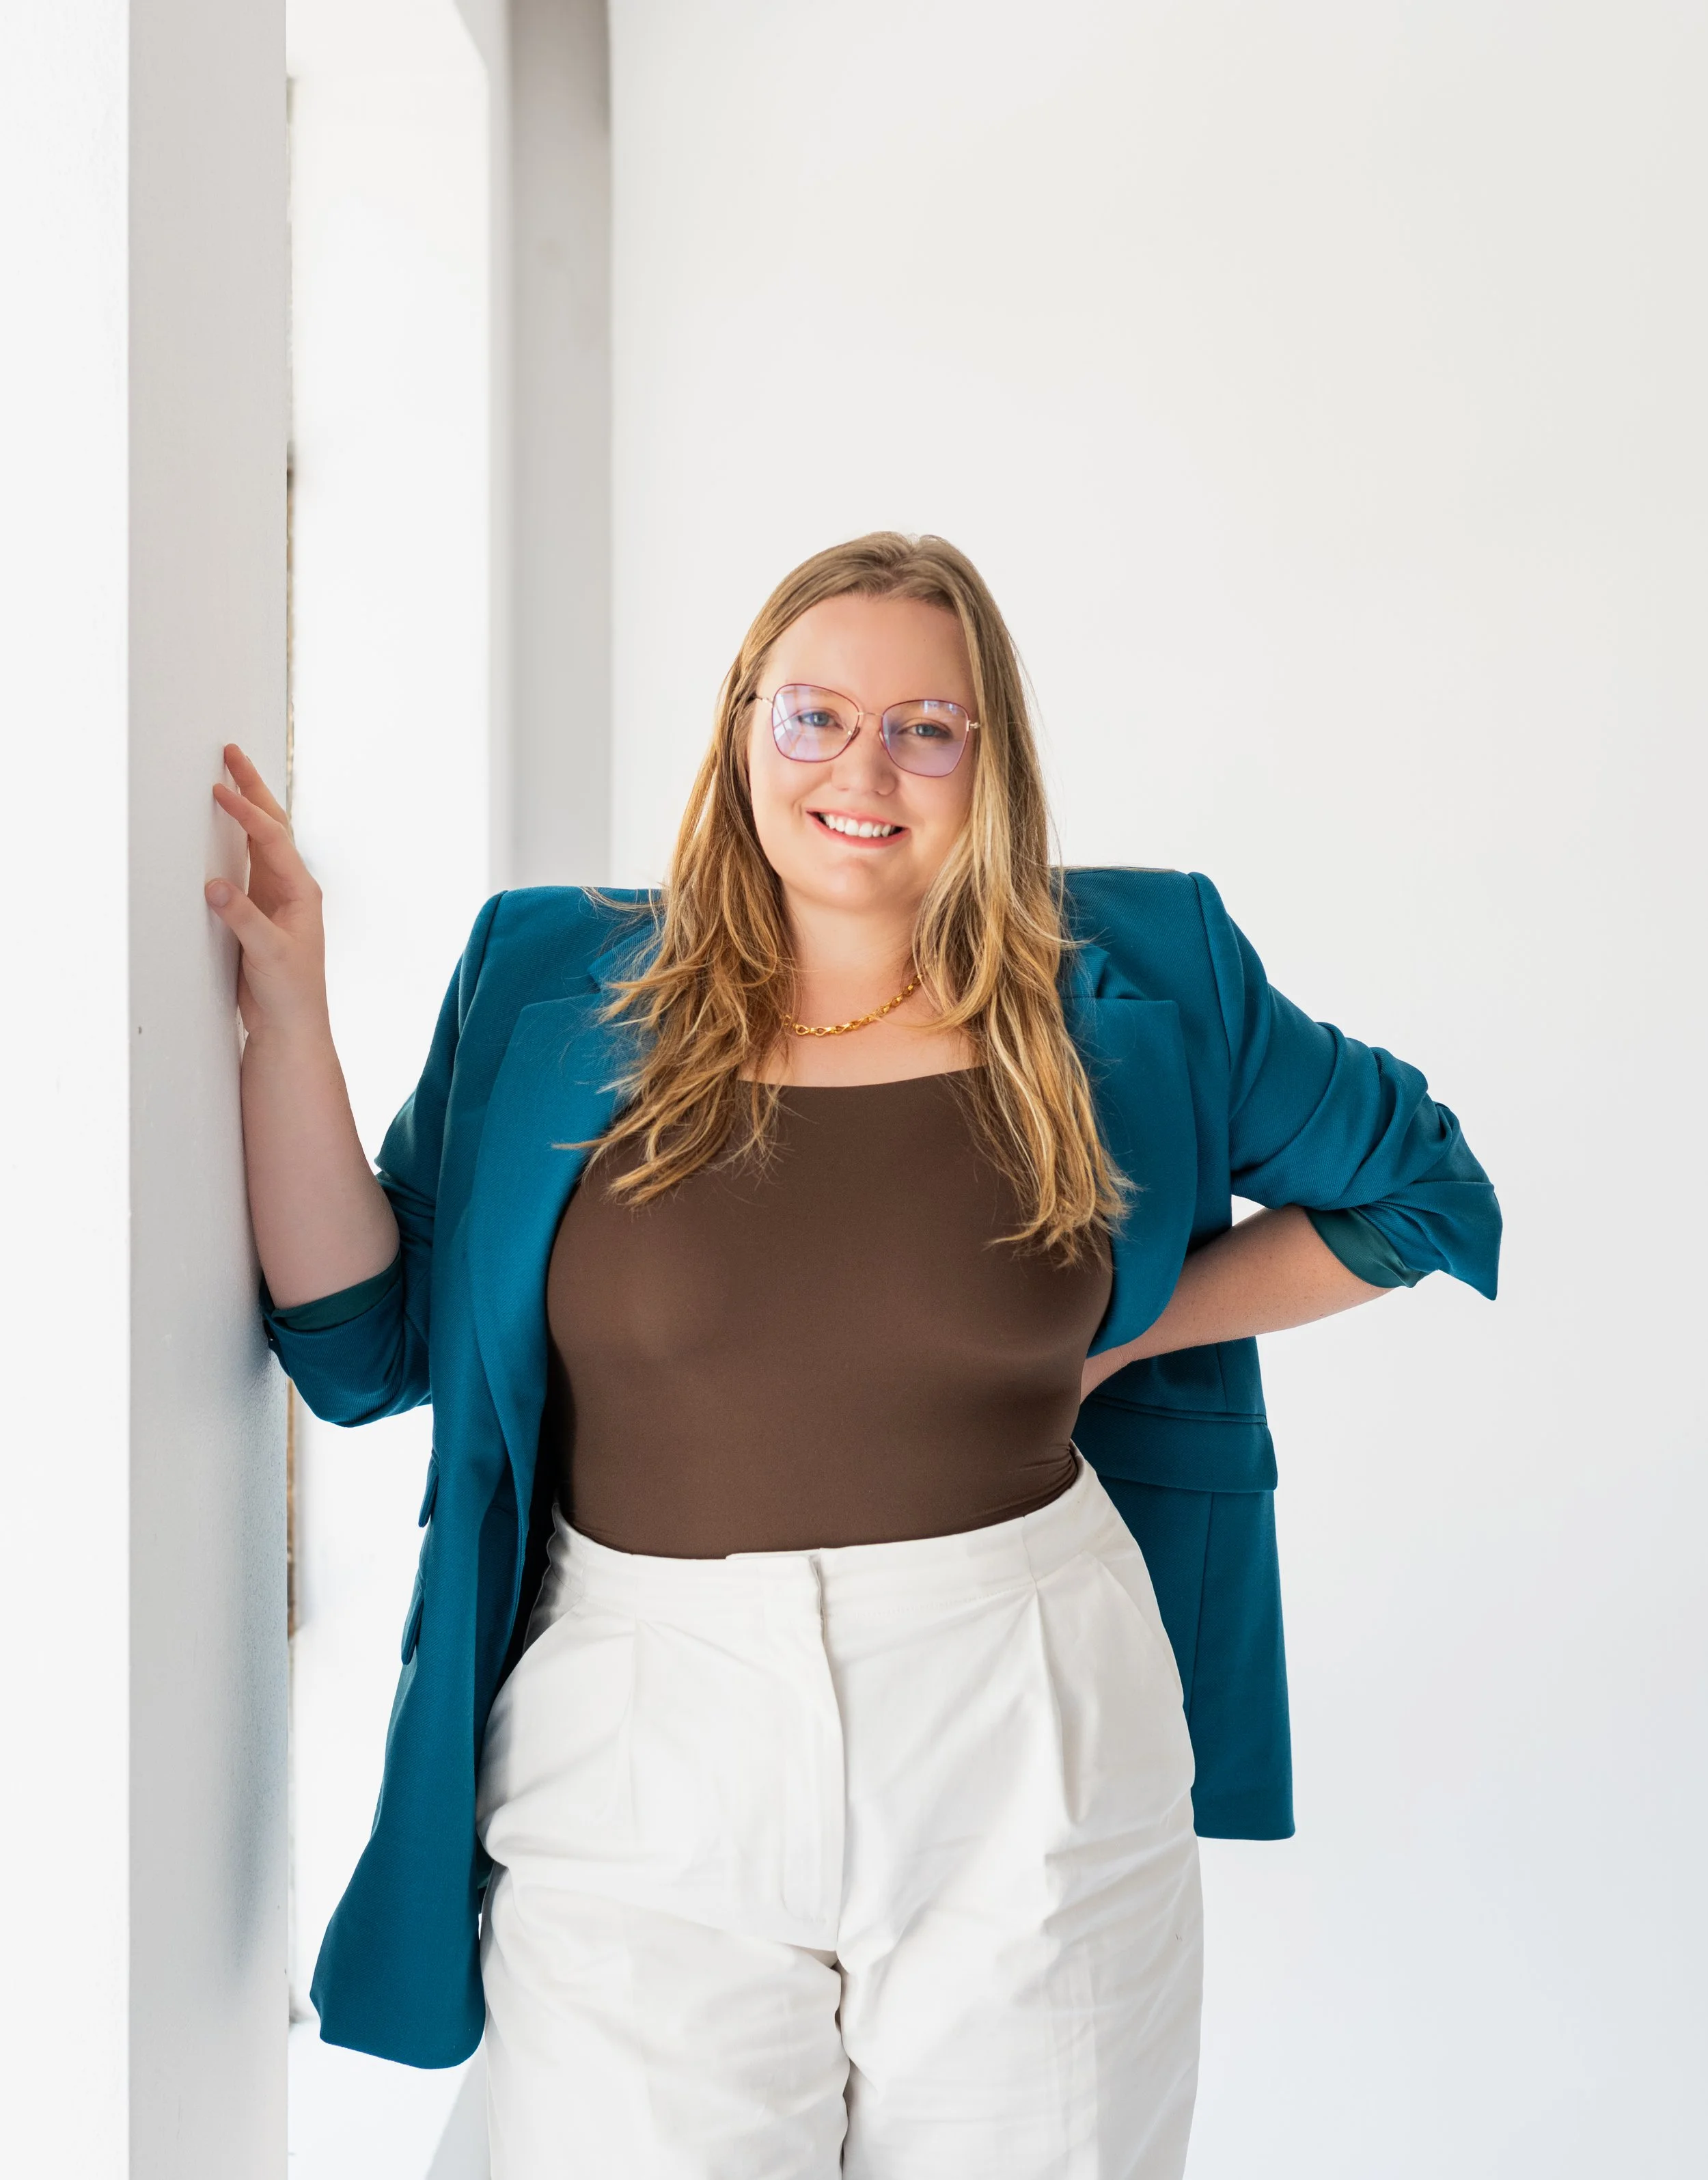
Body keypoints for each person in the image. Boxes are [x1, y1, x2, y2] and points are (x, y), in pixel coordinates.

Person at [208, 532, 1500, 2179]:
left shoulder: (1135, 974)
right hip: (638, 1733)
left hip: (1024, 1710)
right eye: (813, 715)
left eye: (926, 726)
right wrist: (291, 1003)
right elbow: (360, 1339)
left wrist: (1117, 1337)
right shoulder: (549, 972)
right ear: (743, 726)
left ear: (990, 757)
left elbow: (1421, 1191)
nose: (862, 769)